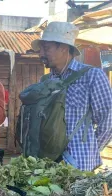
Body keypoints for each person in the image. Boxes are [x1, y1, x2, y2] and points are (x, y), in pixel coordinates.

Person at [30, 21, 112, 171]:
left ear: (63, 48)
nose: (41, 53)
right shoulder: (47, 81)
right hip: (47, 164)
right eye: (40, 49)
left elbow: (108, 122)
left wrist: (88, 150)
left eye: (46, 48)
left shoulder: (92, 76)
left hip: (78, 166)